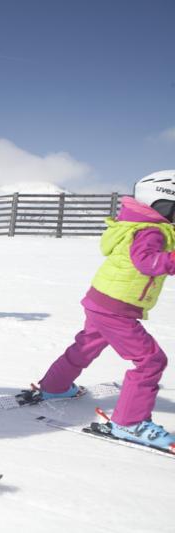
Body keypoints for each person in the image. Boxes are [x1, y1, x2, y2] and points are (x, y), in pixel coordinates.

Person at [32, 169, 175, 451]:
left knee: (86, 345)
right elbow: (147, 263)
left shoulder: (135, 224)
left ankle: (55, 386)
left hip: (102, 300)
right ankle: (130, 423)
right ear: (165, 203)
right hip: (116, 308)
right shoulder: (151, 231)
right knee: (150, 361)